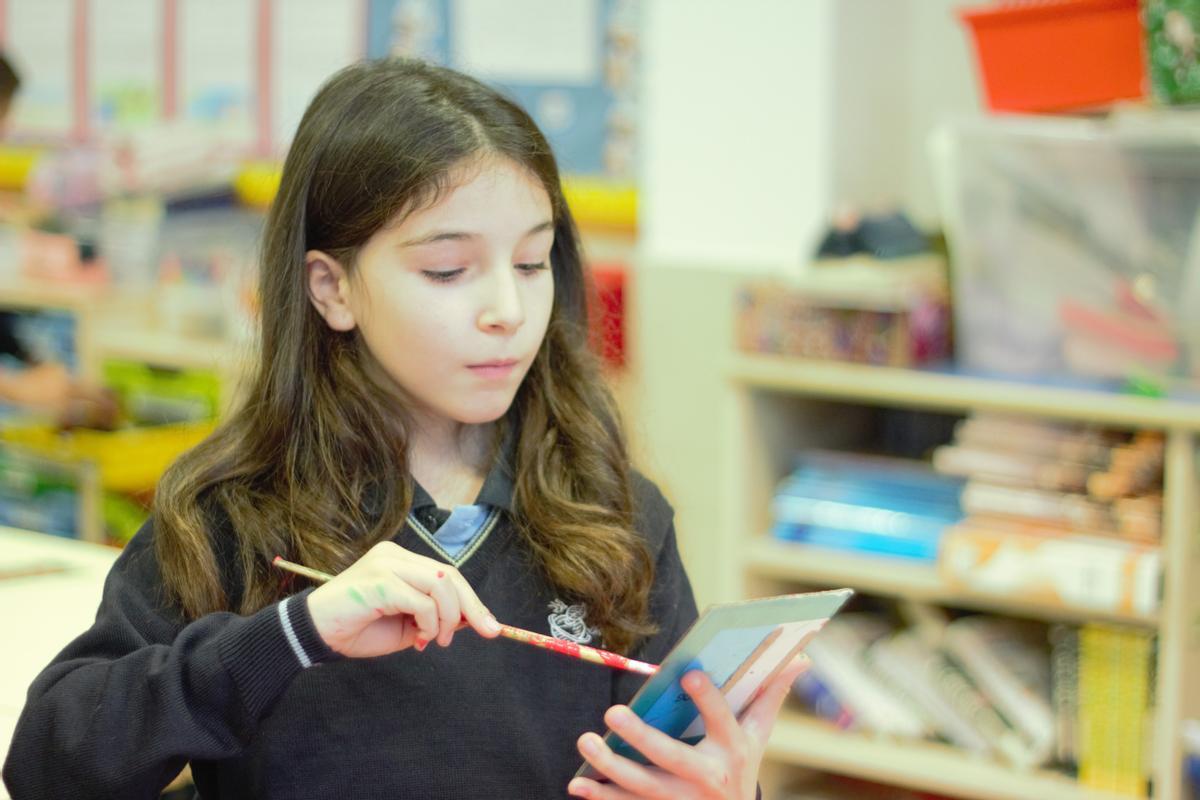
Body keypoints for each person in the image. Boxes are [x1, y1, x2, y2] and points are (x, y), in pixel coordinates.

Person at [2, 58, 805, 799]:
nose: (508, 312)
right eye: (448, 271)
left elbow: (661, 769)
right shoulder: (231, 516)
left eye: (532, 264)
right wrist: (291, 634)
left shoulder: (615, 515)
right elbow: (48, 766)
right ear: (333, 289)